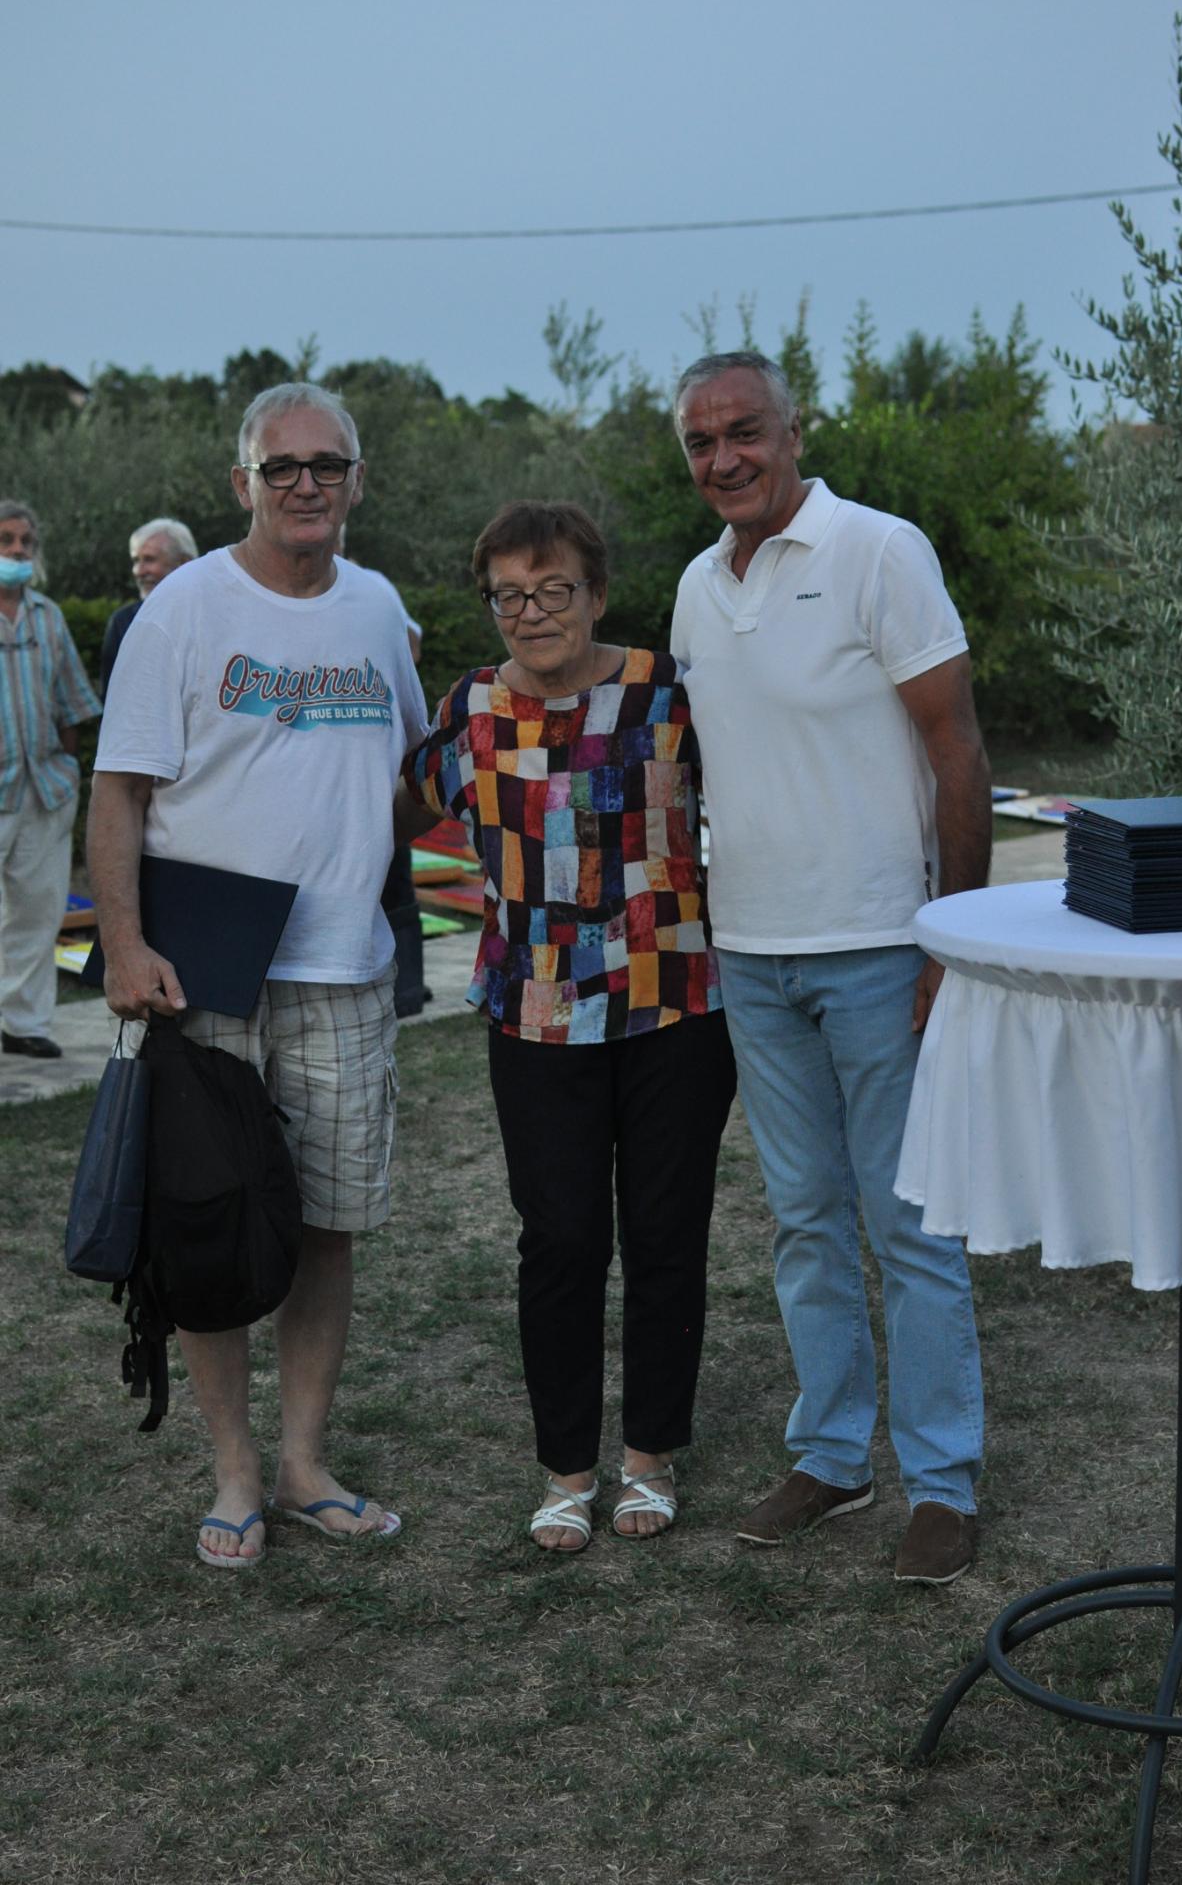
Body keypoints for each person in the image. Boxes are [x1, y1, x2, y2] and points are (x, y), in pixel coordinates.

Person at [88, 383, 428, 1569]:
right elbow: (119, 790)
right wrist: (123, 946)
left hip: (342, 969)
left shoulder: (379, 610)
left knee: (326, 1226)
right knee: (209, 1223)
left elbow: (408, 777)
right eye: (280, 467)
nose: (304, 485)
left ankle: (302, 1465)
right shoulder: (181, 608)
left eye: (326, 465)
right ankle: (233, 1472)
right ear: (243, 483)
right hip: (206, 977)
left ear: (356, 481)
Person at [670, 352, 991, 1584]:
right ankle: (832, 1455)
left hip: (880, 946)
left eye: (743, 431)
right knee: (803, 1221)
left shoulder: (878, 551)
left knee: (908, 1225)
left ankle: (942, 1482)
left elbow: (955, 748)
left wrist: (950, 938)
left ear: (792, 430)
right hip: (752, 954)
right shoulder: (697, 586)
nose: (724, 459)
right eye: (701, 443)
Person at [400, 501, 736, 1552]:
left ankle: (649, 1456)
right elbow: (397, 805)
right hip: (535, 1014)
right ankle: (565, 1470)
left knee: (666, 1235)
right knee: (558, 1242)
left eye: (553, 589)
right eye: (508, 594)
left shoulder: (667, 690)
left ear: (596, 593)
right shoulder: (469, 707)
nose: (532, 612)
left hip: (672, 1001)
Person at [0, 501, 101, 1060]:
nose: (17, 550)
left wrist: (67, 769)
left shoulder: (48, 616)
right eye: (6, 540)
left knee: (37, 914)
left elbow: (72, 706)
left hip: (44, 790)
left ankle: (23, 1024)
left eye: (25, 542)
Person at [98, 518, 198, 699]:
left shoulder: (212, 615)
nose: (139, 571)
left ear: (183, 562)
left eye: (149, 560)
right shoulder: (123, 622)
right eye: (136, 560)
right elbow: (112, 699)